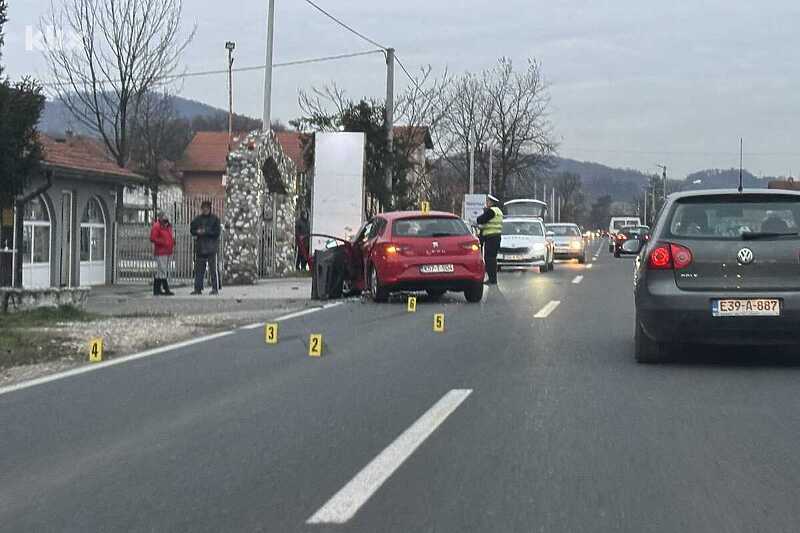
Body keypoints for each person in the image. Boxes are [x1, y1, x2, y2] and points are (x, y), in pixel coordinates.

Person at [190, 200, 221, 295]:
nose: (205, 210)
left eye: (207, 208)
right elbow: (192, 230)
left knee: (213, 270)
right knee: (199, 270)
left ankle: (215, 288)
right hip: (200, 247)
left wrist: (205, 232)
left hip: (211, 247)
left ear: (209, 209)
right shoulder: (197, 219)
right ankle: (198, 288)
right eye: (203, 208)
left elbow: (217, 233)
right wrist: (197, 232)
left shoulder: (215, 219)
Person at [477, 194, 504, 285]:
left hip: (491, 238)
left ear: (491, 203)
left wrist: (484, 212)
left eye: (488, 202)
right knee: (492, 258)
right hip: (495, 238)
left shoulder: (492, 211)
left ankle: (492, 279)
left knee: (489, 259)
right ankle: (492, 278)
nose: (486, 203)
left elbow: (481, 220)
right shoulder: (498, 211)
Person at [149, 210, 175, 296]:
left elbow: (170, 236)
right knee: (162, 270)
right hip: (161, 251)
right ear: (160, 217)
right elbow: (153, 238)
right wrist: (163, 242)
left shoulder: (168, 226)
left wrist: (172, 241)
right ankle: (165, 288)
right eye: (165, 216)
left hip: (168, 250)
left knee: (162, 270)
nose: (167, 217)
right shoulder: (157, 226)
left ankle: (157, 289)